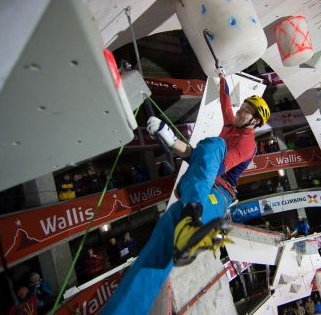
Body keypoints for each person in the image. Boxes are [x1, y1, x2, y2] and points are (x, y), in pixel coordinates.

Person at [103, 75, 270, 315]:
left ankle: (192, 214)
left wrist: (178, 146)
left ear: (254, 122)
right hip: (199, 189)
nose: (239, 112)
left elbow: (213, 168)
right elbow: (224, 103)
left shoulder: (247, 144)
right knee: (163, 235)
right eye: (242, 107)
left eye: (245, 112)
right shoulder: (232, 123)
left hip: (218, 194)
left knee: (212, 145)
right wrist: (221, 77)